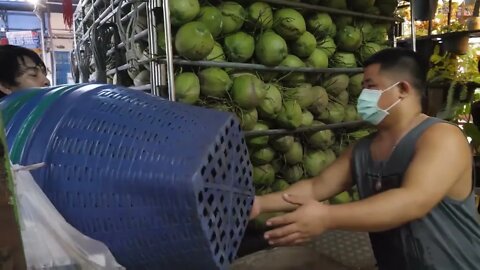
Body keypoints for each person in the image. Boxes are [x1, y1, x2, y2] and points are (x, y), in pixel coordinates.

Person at [250, 48, 480, 270]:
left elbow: (413, 200)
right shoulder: (362, 150)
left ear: (402, 88)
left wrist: (327, 217)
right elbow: (315, 187)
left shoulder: (442, 137)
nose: (363, 97)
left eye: (371, 87)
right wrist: (259, 204)